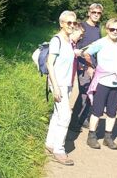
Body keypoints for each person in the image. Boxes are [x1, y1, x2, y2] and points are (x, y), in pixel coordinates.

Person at [80, 18, 117, 150]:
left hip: (116, 83)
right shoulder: (100, 43)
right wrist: (92, 66)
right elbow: (86, 53)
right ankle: (91, 137)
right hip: (102, 82)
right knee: (97, 111)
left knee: (112, 112)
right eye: (112, 29)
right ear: (107, 29)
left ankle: (108, 137)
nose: (115, 32)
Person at [45, 11, 77, 166]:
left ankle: (50, 143)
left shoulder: (69, 40)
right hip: (58, 84)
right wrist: (55, 88)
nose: (72, 25)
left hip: (67, 84)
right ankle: (59, 149)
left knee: (58, 115)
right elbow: (49, 64)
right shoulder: (56, 40)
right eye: (68, 23)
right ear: (61, 23)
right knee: (65, 116)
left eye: (74, 23)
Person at [69, 3, 103, 132]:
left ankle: (83, 119)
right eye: (94, 12)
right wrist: (88, 65)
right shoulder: (82, 26)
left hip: (93, 66)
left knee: (91, 92)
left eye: (98, 13)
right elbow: (74, 46)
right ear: (89, 12)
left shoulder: (98, 29)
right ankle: (73, 123)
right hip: (83, 65)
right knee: (84, 93)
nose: (96, 14)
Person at [69, 23, 85, 109]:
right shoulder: (67, 43)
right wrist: (74, 53)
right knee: (63, 113)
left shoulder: (74, 44)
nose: (81, 37)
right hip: (62, 82)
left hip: (69, 80)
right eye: (80, 34)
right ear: (74, 31)